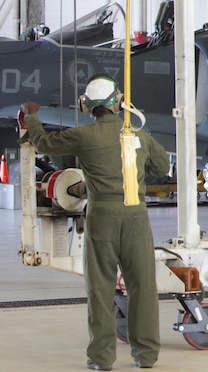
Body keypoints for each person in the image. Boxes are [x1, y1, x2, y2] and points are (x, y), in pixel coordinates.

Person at [22, 74, 170, 370]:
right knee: (142, 287)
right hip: (136, 217)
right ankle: (147, 355)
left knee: (100, 288)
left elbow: (44, 144)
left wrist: (32, 116)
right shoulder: (138, 136)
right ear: (118, 102)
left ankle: (101, 359)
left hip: (101, 217)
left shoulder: (84, 135)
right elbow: (163, 167)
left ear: (87, 105)